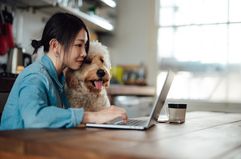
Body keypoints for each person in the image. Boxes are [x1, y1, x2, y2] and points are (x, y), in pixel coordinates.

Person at [0, 12, 128, 130]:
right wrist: (91, 116)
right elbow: (34, 118)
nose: (84, 53)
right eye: (79, 45)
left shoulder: (59, 78)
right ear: (55, 46)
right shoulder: (35, 76)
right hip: (15, 149)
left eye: (85, 46)